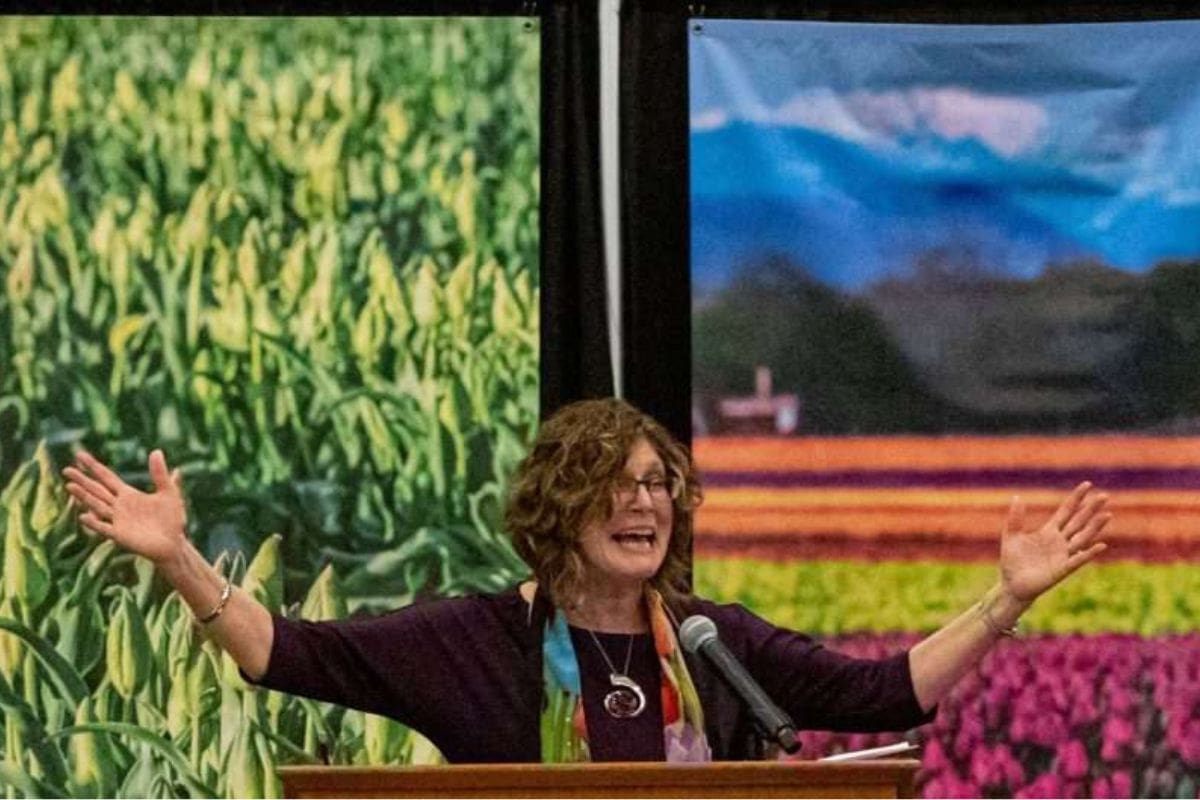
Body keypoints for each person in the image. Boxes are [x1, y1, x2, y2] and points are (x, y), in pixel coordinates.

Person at [62, 397, 1111, 763]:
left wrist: (1007, 596)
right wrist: (179, 558)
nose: (644, 503)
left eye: (658, 484)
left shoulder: (710, 641)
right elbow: (278, 649)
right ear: (558, 508)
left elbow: (888, 692)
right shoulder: (472, 642)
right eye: (614, 486)